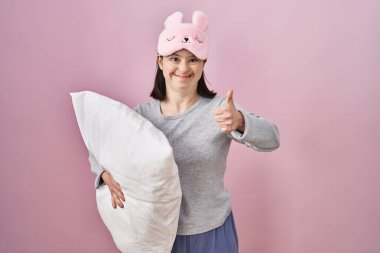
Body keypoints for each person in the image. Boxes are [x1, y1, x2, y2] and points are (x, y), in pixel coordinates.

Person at [88, 10, 280, 253]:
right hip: (159, 235)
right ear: (160, 61)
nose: (183, 67)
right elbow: (98, 148)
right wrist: (104, 173)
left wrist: (241, 121)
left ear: (203, 63)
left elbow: (272, 138)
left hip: (213, 232)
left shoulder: (221, 110)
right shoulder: (141, 117)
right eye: (175, 58)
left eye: (193, 59)